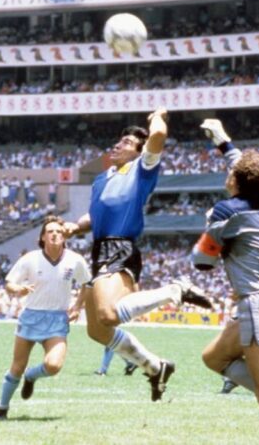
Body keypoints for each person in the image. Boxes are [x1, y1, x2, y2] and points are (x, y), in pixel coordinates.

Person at [63, 107, 212, 402]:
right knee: (97, 331)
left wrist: (157, 116)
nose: (118, 145)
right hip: (99, 249)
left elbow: (158, 135)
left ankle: (175, 290)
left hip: (120, 246)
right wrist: (75, 227)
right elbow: (95, 215)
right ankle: (155, 366)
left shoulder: (142, 169)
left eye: (128, 143)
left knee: (108, 315)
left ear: (139, 152)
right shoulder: (102, 178)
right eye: (119, 140)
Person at [192, 119, 259, 444]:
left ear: (236, 181)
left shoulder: (226, 211)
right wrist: (223, 142)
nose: (228, 173)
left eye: (232, 172)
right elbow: (248, 170)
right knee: (214, 358)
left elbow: (201, 262)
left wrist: (211, 231)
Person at [0, 216, 91, 421]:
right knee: (17, 367)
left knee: (54, 365)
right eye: (50, 231)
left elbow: (87, 283)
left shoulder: (75, 260)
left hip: (57, 319)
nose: (55, 234)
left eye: (59, 231)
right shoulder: (30, 259)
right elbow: (9, 282)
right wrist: (18, 289)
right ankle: (2, 409)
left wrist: (77, 306)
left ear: (65, 236)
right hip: (31, 316)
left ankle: (31, 376)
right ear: (42, 237)